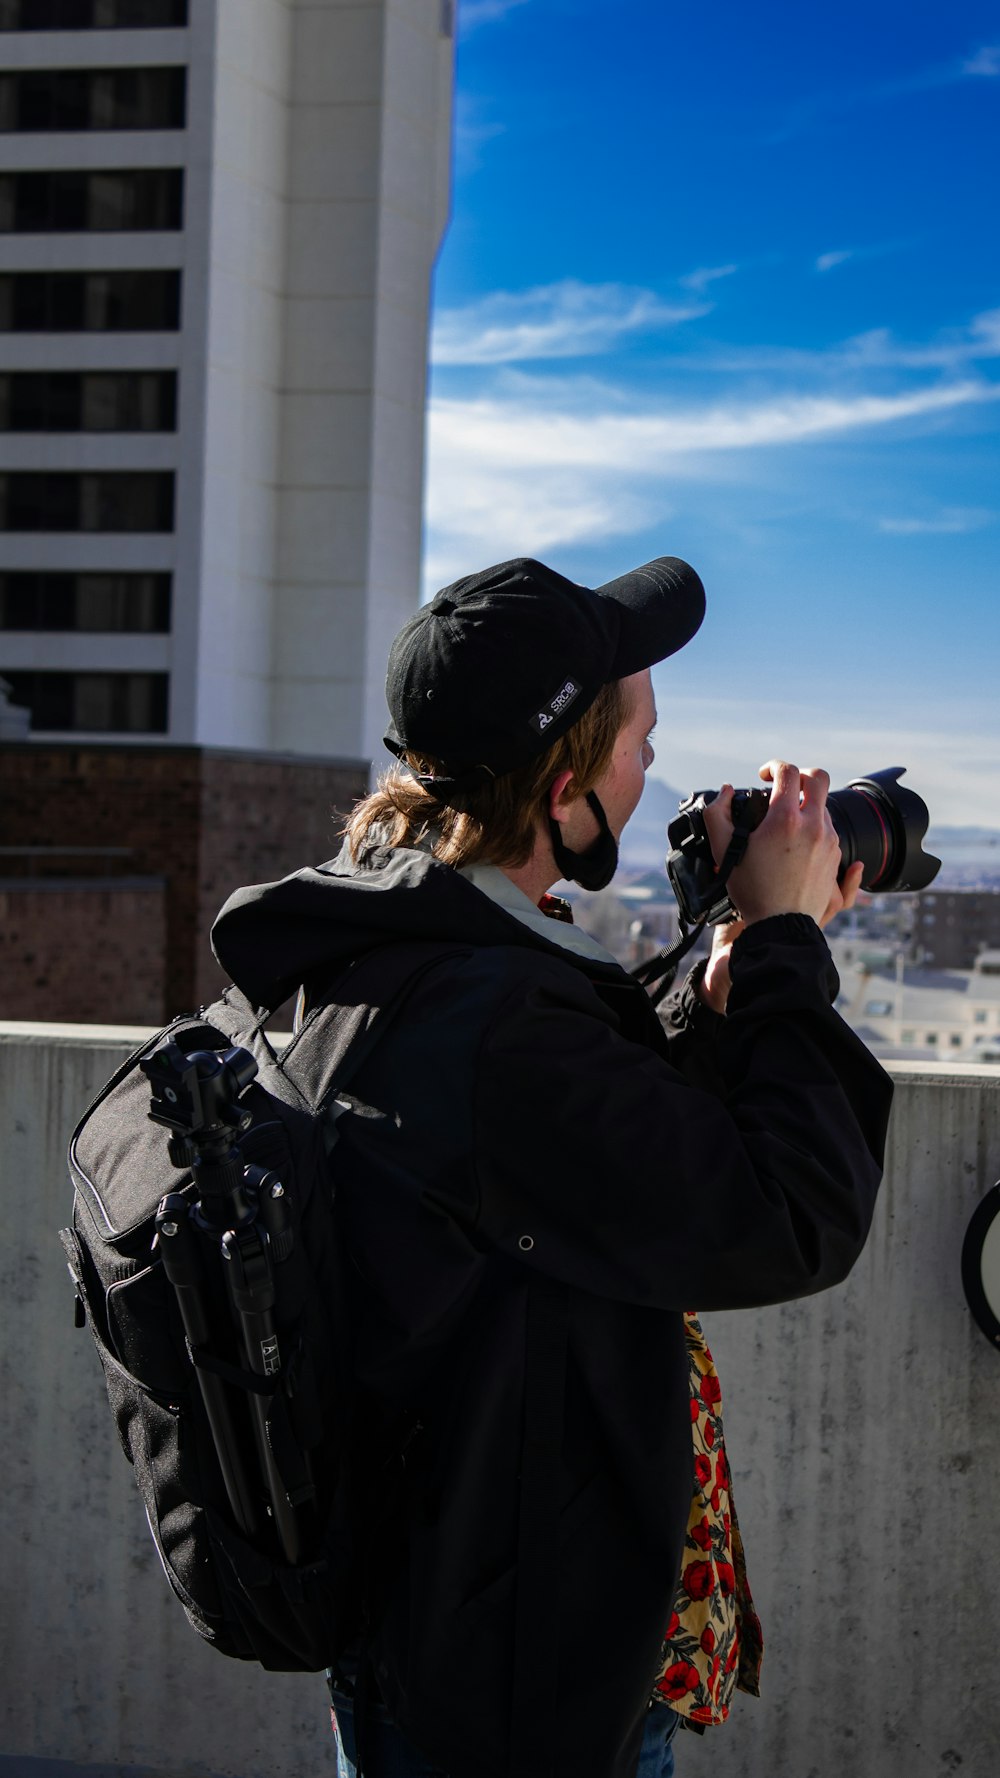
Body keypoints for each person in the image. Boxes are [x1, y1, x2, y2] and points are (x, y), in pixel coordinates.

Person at [211, 554, 892, 1778]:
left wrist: (707, 982)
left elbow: (569, 1153)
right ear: (568, 786)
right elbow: (795, 1216)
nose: (654, 775)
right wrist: (785, 945)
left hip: (439, 1626)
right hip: (521, 1687)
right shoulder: (493, 1025)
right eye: (642, 744)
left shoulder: (389, 948)